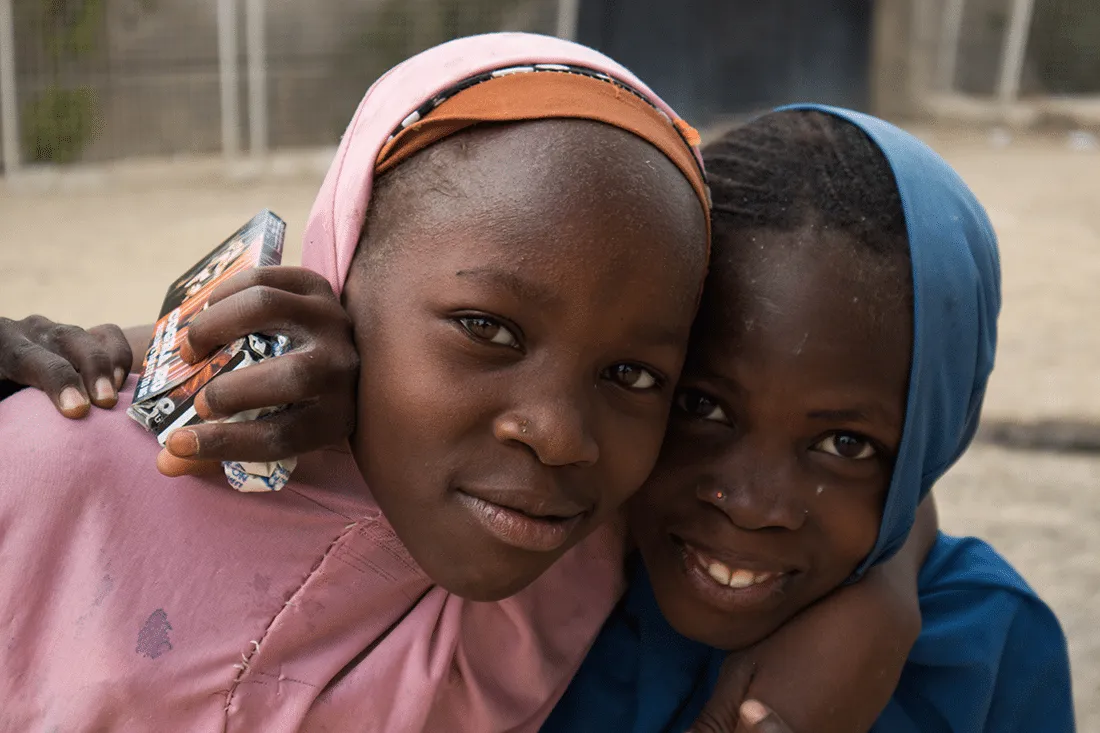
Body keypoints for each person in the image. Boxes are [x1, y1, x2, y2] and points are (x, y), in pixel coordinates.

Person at [0, 46, 932, 733]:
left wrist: (882, 595)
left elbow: (864, 455)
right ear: (340, 271)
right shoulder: (56, 473)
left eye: (634, 375)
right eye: (488, 329)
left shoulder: (570, 557)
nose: (560, 433)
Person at [540, 107, 1075, 733]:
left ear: (929, 447)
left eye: (845, 445)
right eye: (701, 406)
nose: (750, 505)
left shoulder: (986, 647)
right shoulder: (537, 578)